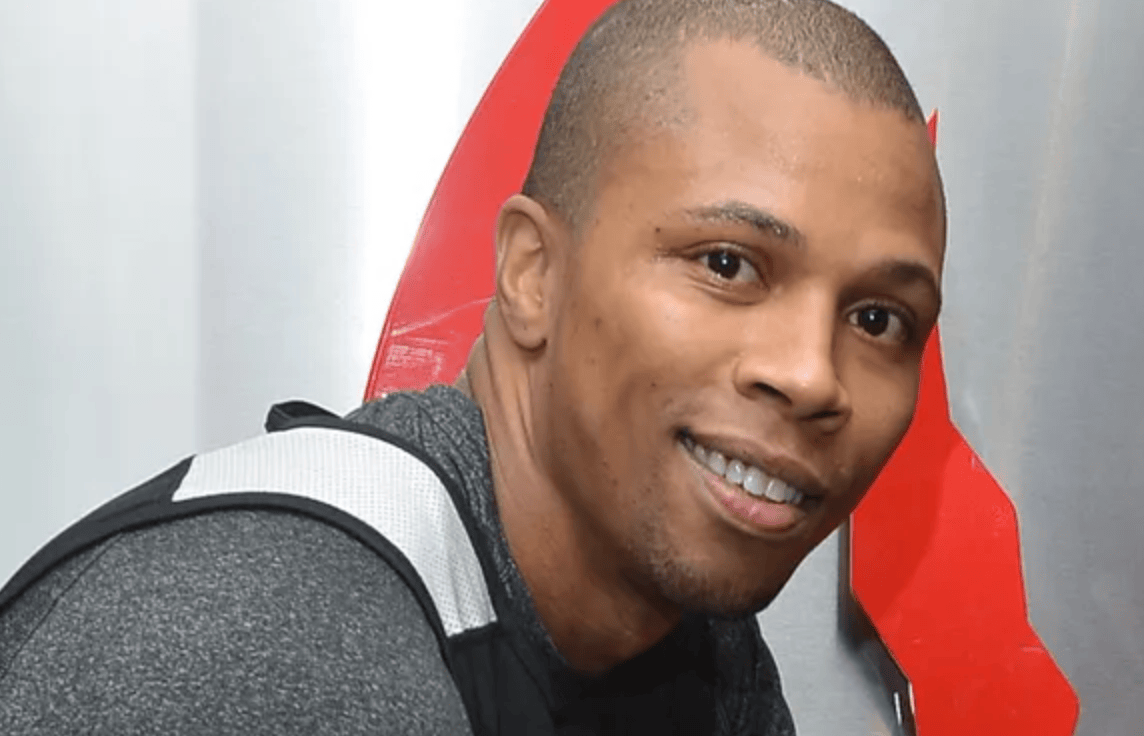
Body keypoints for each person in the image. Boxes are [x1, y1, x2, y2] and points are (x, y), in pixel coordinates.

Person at [0, 0, 945, 733]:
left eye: (878, 319)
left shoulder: (697, 657)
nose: (812, 375)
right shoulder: (274, 643)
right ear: (533, 275)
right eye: (727, 265)